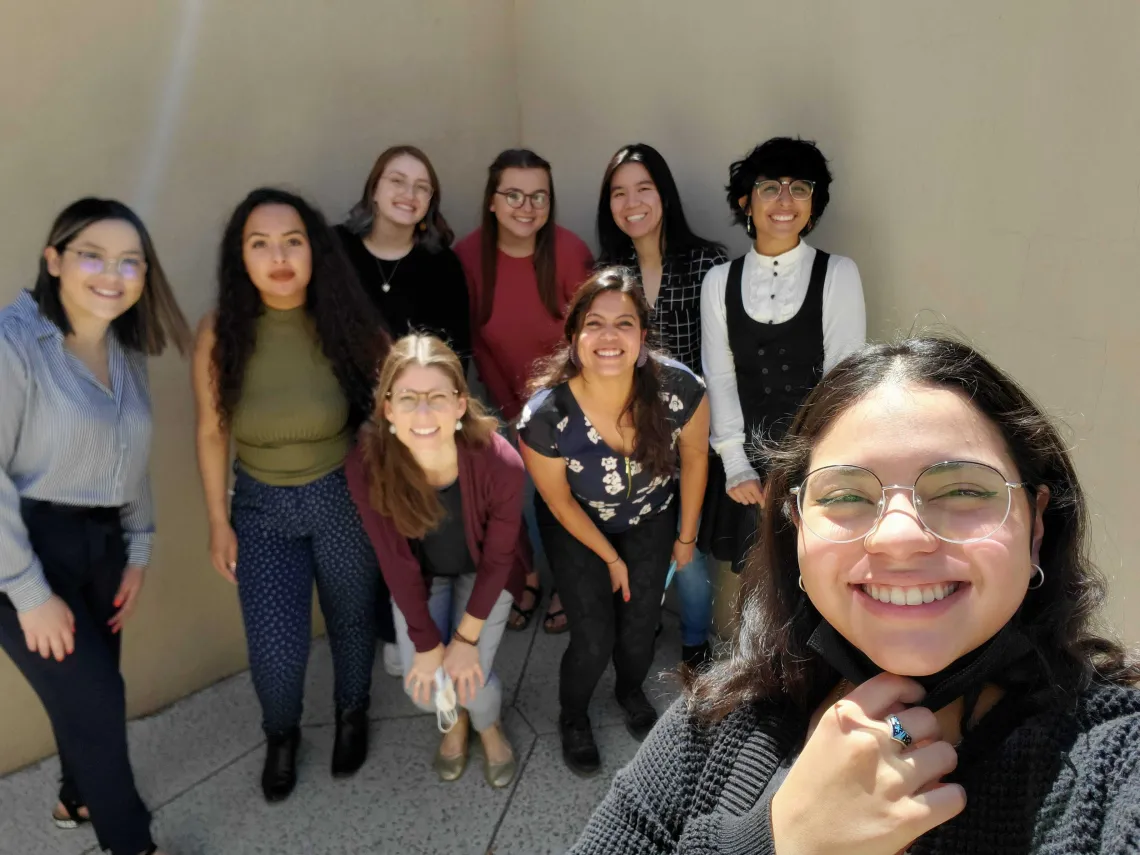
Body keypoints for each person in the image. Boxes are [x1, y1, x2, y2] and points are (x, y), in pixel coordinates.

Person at [570, 337, 1140, 854]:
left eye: (963, 489)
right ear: (794, 529)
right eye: (845, 495)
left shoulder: (1112, 761)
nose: (898, 537)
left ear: (1036, 525)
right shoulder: (714, 722)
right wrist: (778, 843)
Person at [0, 198, 190, 855]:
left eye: (131, 261)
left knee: (89, 694)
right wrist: (29, 594)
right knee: (99, 702)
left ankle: (75, 796)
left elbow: (129, 460)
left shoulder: (126, 350)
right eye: (93, 255)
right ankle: (132, 844)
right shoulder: (13, 342)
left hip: (102, 544)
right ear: (54, 260)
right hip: (24, 548)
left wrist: (138, 549)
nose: (114, 274)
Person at [192, 188, 387, 803]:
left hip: (341, 495)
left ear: (314, 252)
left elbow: (394, 404)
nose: (278, 256)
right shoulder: (221, 333)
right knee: (274, 645)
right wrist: (218, 521)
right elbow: (210, 429)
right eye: (260, 244)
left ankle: (351, 715)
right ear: (240, 257)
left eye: (292, 242)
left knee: (353, 618)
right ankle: (282, 736)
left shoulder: (345, 322)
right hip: (259, 506)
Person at [518, 268, 709, 777]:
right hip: (578, 523)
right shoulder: (545, 415)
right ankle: (574, 716)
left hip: (650, 514)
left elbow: (694, 459)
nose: (609, 336)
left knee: (640, 625)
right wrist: (610, 559)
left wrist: (686, 538)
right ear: (575, 336)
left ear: (642, 336)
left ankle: (629, 689)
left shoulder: (679, 389)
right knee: (593, 637)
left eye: (623, 323)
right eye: (594, 323)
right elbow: (558, 505)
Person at [345, 334, 521, 788]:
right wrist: (428, 645)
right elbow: (394, 561)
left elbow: (500, 558)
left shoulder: (500, 462)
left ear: (461, 404)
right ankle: (453, 720)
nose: (422, 415)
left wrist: (463, 639)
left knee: (471, 679)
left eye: (436, 398)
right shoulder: (368, 465)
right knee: (422, 687)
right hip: (423, 578)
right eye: (407, 399)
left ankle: (485, 724)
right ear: (387, 408)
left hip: (486, 576)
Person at [700, 137, 866, 585]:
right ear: (746, 202)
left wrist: (810, 467)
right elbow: (719, 375)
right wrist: (736, 463)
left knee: (812, 578)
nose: (785, 201)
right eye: (770, 187)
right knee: (756, 584)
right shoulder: (718, 281)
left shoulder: (839, 273)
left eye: (800, 188)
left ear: (815, 203)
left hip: (815, 454)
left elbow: (844, 380)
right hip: (746, 461)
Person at [336, 144, 471, 677]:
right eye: (397, 180)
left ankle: (412, 631)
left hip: (418, 425)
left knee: (412, 532)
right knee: (362, 534)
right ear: (374, 187)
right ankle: (379, 630)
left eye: (421, 186)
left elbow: (455, 352)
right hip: (345, 422)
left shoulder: (441, 266)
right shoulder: (337, 252)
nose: (408, 194)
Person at [596, 142, 728, 668]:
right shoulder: (607, 272)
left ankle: (696, 643)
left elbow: (722, 360)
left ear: (664, 195)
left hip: (693, 437)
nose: (632, 202)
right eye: (619, 192)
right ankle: (642, 626)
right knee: (634, 545)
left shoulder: (707, 263)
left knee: (687, 554)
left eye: (644, 188)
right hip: (627, 439)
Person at [456, 149, 594, 636]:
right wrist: (513, 411)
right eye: (513, 194)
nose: (526, 205)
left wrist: (558, 412)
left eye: (538, 195)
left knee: (565, 497)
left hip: (573, 403)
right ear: (492, 201)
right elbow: (475, 338)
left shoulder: (570, 252)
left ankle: (563, 585)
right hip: (505, 402)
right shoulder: (469, 257)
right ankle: (529, 577)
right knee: (514, 496)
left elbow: (588, 340)